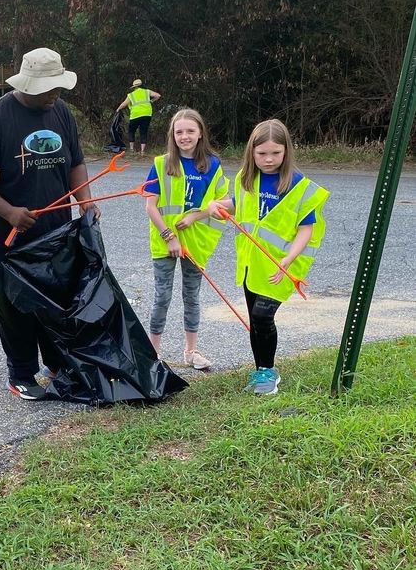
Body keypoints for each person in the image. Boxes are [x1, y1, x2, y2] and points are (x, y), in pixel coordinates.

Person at [0, 47, 95, 400]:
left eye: (57, 88)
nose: (54, 95)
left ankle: (56, 362)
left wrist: (86, 201)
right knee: (16, 306)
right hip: (5, 236)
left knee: (54, 301)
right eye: (47, 89)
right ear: (27, 85)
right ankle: (20, 371)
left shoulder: (60, 112)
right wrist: (9, 212)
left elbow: (75, 163)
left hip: (53, 232)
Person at [207, 119, 329, 396]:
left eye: (276, 153)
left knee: (263, 316)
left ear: (287, 152)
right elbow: (239, 207)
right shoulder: (246, 180)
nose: (269, 159)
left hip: (282, 266)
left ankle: (269, 372)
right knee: (254, 318)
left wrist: (288, 259)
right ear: (252, 152)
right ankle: (261, 369)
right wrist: (218, 205)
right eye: (262, 154)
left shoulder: (298, 186)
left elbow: (305, 229)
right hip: (252, 263)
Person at [145, 108, 229, 370]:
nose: (184, 136)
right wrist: (169, 236)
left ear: (200, 133)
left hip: (195, 242)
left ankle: (191, 352)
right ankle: (153, 353)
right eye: (179, 131)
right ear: (172, 134)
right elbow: (150, 206)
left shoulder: (213, 165)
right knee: (162, 297)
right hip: (165, 243)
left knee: (192, 297)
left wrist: (195, 216)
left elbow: (224, 204)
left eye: (190, 131)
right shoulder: (161, 163)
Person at [115, 78, 161, 155]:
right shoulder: (147, 92)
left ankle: (132, 149)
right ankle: (142, 151)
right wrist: (151, 101)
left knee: (131, 131)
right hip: (147, 114)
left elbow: (124, 104)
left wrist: (118, 109)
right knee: (143, 131)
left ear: (134, 87)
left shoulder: (131, 95)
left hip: (135, 115)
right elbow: (158, 95)